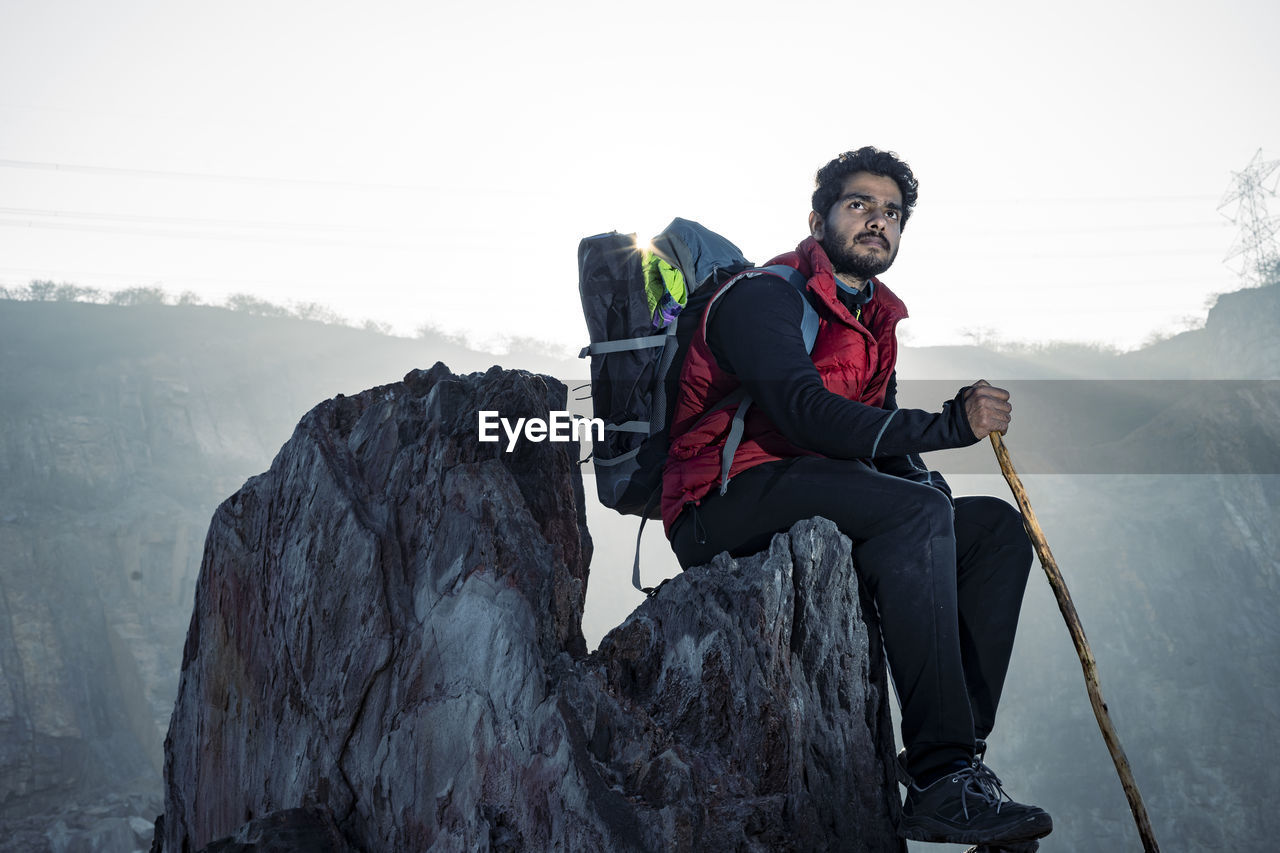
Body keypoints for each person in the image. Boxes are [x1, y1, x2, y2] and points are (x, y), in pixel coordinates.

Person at [660, 147, 1052, 848]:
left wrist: (924, 471)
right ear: (818, 220)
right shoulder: (765, 297)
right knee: (915, 509)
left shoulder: (874, 320)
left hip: (816, 489)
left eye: (892, 212)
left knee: (991, 529)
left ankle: (960, 758)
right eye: (860, 205)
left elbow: (878, 437)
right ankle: (940, 775)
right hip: (719, 502)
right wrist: (950, 426)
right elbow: (808, 413)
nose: (879, 220)